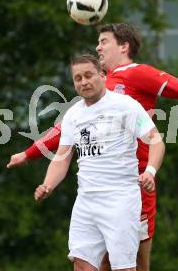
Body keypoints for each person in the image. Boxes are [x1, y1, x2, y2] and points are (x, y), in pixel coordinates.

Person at [8, 23, 178, 271]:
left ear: (124, 46)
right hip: (96, 188)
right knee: (97, 263)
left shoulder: (137, 73)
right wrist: (30, 154)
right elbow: (65, 131)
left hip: (134, 183)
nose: (98, 47)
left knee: (134, 263)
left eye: (104, 41)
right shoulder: (95, 88)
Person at [34, 54, 165, 271]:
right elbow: (62, 157)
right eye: (78, 78)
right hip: (86, 201)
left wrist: (150, 171)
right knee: (82, 266)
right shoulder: (73, 115)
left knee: (123, 268)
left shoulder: (126, 106)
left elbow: (156, 141)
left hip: (120, 200)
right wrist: (48, 184)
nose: (84, 82)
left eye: (88, 75)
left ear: (102, 75)